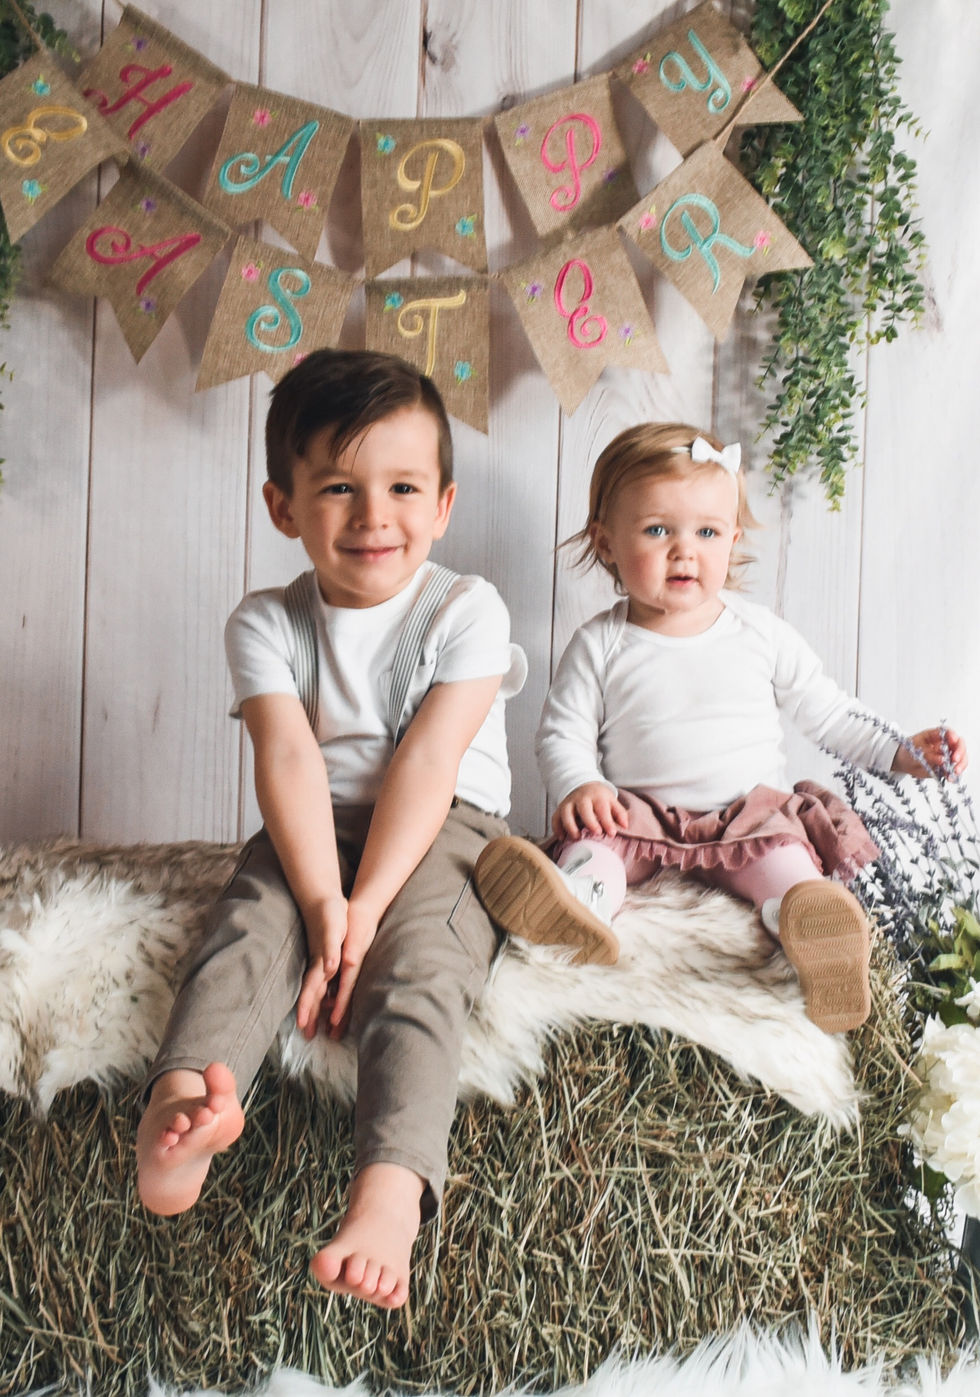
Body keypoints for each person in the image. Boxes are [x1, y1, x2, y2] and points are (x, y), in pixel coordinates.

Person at [135, 348, 526, 1309]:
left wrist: (364, 913)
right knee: (245, 930)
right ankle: (182, 1109)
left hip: (445, 826)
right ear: (284, 507)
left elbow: (429, 764)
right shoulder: (265, 624)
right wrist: (319, 904)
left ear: (443, 505)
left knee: (420, 964)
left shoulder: (466, 610)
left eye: (403, 488)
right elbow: (288, 761)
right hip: (317, 824)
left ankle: (389, 1193)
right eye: (340, 487)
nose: (373, 515)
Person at [474, 422, 967, 1035]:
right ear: (606, 543)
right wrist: (581, 785)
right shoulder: (600, 643)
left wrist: (903, 751)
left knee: (787, 863)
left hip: (747, 820)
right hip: (641, 821)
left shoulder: (759, 633)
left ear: (732, 539)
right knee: (593, 849)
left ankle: (806, 928)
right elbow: (562, 733)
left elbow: (832, 714)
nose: (685, 551)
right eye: (658, 530)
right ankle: (577, 908)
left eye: (706, 532)